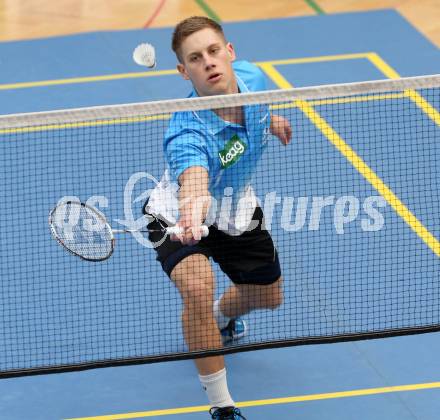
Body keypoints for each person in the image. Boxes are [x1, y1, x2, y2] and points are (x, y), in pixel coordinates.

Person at [144, 16, 292, 420]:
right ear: (183, 70)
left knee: (269, 296)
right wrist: (192, 212)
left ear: (230, 53)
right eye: (195, 58)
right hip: (178, 214)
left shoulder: (254, 78)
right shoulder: (186, 132)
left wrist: (271, 123)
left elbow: (258, 112)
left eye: (213, 51)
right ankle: (222, 406)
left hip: (236, 209)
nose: (208, 62)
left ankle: (222, 321)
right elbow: (193, 181)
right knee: (197, 286)